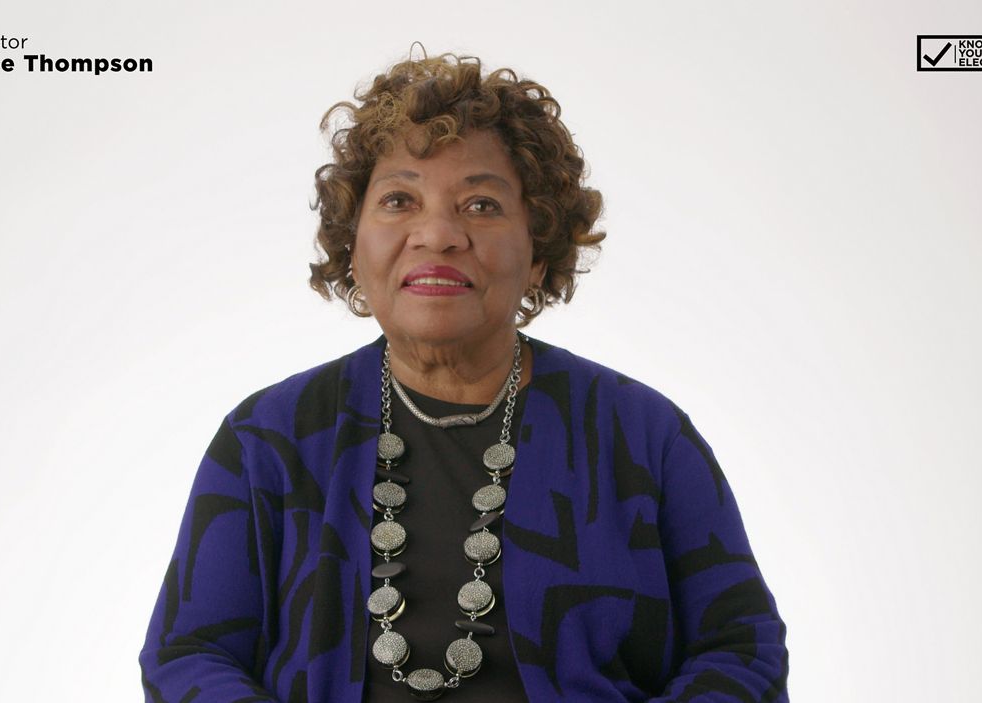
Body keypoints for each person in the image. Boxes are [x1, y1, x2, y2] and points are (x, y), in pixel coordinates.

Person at [139, 51, 789, 702]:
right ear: (352, 245)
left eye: (481, 204)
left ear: (538, 251)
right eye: (399, 200)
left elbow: (743, 651)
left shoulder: (644, 436)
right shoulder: (268, 438)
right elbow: (188, 655)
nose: (438, 235)